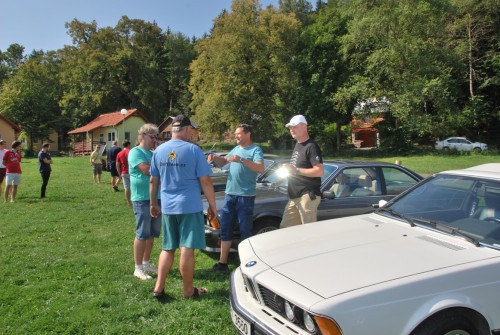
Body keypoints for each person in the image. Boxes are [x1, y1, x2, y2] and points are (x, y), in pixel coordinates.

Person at [150, 114, 218, 299]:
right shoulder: (194, 150)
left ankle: (158, 288)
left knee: (168, 247)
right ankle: (188, 290)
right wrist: (213, 206)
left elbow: (153, 180)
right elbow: (205, 181)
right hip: (189, 206)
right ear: (187, 129)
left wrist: (153, 203)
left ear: (173, 130)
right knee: (187, 248)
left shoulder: (159, 151)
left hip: (168, 207)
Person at [207, 124, 264, 272]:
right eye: (235, 134)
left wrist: (242, 160)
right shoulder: (236, 149)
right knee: (225, 228)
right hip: (230, 194)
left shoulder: (255, 150)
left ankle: (246, 264)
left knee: (245, 230)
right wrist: (215, 158)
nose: (236, 136)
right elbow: (224, 161)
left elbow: (260, 168)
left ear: (248, 134)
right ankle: (222, 263)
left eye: (238, 133)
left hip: (245, 196)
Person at [128, 124, 162, 280]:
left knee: (152, 234)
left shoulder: (153, 153)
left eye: (156, 137)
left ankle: (146, 262)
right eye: (152, 137)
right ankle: (138, 268)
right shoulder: (136, 152)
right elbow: (148, 170)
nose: (154, 140)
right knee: (142, 233)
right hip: (142, 198)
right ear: (142, 136)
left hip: (157, 197)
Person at [279, 115, 324, 228]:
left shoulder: (311, 146)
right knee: (285, 229)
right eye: (290, 127)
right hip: (294, 196)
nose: (291, 130)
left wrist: (296, 170)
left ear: (304, 127)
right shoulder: (298, 145)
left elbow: (319, 171)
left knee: (308, 232)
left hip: (307, 196)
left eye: (294, 127)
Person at [116, 140, 131, 206]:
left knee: (126, 188)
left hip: (124, 172)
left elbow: (117, 165)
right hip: (132, 172)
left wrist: (119, 174)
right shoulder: (131, 152)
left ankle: (128, 202)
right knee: (134, 187)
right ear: (128, 145)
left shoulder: (119, 153)